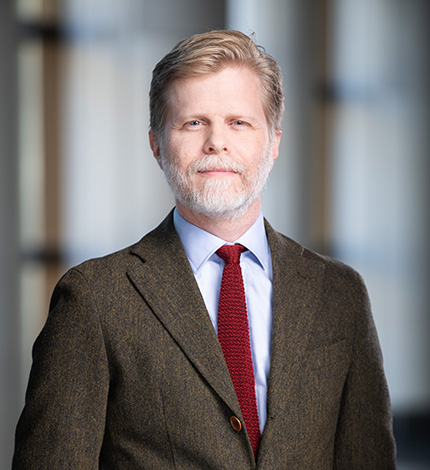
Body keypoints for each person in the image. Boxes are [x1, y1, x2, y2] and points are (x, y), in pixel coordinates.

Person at [13, 30, 396, 469]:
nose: (216, 142)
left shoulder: (339, 294)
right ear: (157, 144)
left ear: (273, 142)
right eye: (193, 122)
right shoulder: (94, 298)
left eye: (239, 122)